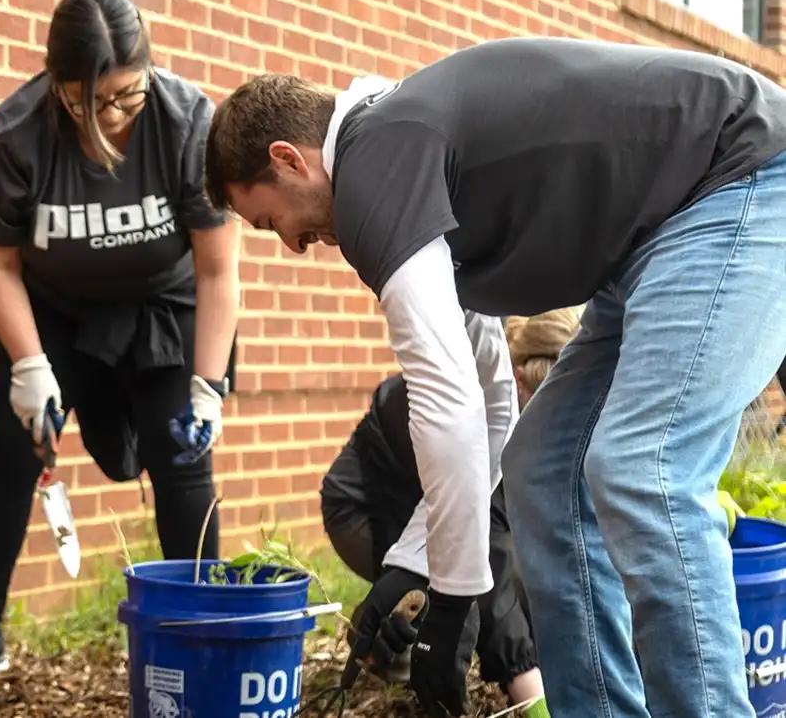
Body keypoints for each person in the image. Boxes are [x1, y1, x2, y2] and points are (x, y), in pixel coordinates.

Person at [204, 38, 786, 717]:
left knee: (643, 467)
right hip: (648, 244)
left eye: (273, 220)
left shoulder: (376, 169)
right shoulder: (400, 153)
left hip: (731, 179)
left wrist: (455, 599)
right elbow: (482, 393)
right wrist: (419, 562)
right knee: (541, 470)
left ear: (288, 159)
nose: (294, 245)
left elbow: (444, 397)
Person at [0, 0, 241, 679]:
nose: (114, 114)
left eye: (129, 93)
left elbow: (219, 271)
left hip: (163, 311)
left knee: (181, 461)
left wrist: (208, 386)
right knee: (12, 458)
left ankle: (206, 631)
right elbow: (0, 268)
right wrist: (31, 366)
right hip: (53, 313)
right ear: (60, 86)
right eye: (94, 100)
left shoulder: (187, 120)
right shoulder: (18, 131)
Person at [326, 309, 581, 712]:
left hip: (424, 498)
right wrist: (531, 694)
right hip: (365, 506)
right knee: (446, 585)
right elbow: (485, 562)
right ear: (518, 379)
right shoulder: (473, 403)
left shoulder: (525, 404)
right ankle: (381, 646)